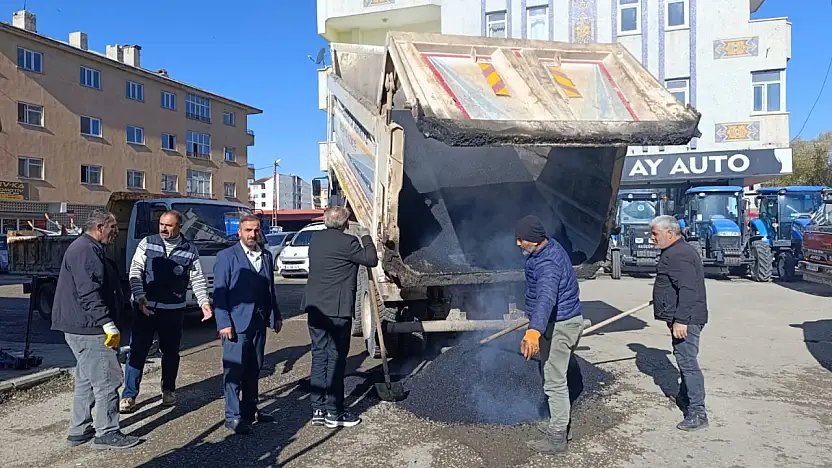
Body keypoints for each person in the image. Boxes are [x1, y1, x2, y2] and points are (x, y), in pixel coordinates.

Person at [51, 210, 141, 449]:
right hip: (90, 328)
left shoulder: (87, 247)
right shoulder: (86, 251)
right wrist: (107, 323)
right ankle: (107, 432)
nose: (116, 233)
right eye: (113, 228)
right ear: (100, 227)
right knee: (107, 379)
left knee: (87, 380)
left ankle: (79, 429)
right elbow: (89, 292)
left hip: (83, 325)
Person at [119, 210, 214, 413]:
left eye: (169, 225)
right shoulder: (147, 243)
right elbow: (135, 270)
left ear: (179, 227)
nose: (163, 228)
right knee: (137, 351)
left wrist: (204, 303)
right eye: (161, 224)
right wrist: (139, 296)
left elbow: (197, 279)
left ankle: (168, 390)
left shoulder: (189, 249)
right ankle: (129, 395)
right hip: (145, 308)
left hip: (173, 310)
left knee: (170, 353)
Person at [303, 206, 378, 428]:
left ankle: (318, 409)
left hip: (315, 308)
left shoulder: (315, 240)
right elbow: (371, 259)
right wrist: (364, 235)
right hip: (337, 310)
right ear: (345, 224)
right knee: (335, 360)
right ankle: (334, 413)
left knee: (319, 356)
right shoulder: (349, 243)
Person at [515, 215, 584, 455]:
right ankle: (559, 419)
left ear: (534, 241)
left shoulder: (548, 264)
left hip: (562, 325)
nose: (518, 244)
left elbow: (546, 297)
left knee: (554, 380)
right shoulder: (545, 249)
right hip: (559, 321)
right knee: (553, 372)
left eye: (521, 240)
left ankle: (557, 438)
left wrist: (534, 331)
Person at [213, 215, 282, 435]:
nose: (252, 234)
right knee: (234, 370)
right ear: (239, 233)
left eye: (256, 230)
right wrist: (223, 322)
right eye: (248, 230)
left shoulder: (267, 256)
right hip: (235, 323)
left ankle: (250, 409)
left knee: (255, 367)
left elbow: (270, 289)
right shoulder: (226, 256)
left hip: (259, 321)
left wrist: (276, 315)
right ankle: (232, 416)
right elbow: (219, 292)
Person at [649, 215, 709, 431]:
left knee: (687, 363)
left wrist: (681, 320)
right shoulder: (675, 251)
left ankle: (697, 413)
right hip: (681, 316)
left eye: (654, 234)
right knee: (684, 358)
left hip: (687, 319)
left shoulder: (679, 255)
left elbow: (688, 290)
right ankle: (684, 397)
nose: (651, 238)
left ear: (670, 233)